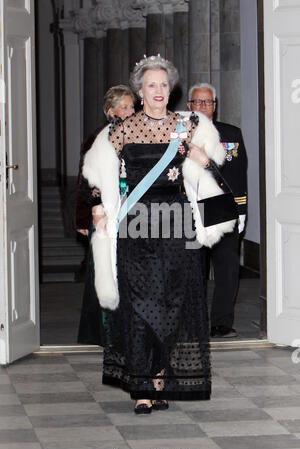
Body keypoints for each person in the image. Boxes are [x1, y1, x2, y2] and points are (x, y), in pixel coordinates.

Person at [82, 55, 237, 414]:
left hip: (178, 224)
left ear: (172, 89)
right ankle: (141, 386)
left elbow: (218, 166)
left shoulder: (190, 125)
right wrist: (97, 208)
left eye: (164, 85)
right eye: (151, 85)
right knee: (138, 306)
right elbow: (95, 174)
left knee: (174, 304)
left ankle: (160, 378)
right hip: (135, 226)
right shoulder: (121, 130)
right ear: (139, 92)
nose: (159, 91)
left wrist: (203, 159)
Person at [187, 83, 248, 339]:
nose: (203, 107)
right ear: (189, 106)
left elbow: (237, 174)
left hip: (222, 207)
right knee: (193, 270)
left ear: (215, 106)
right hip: (190, 208)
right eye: (198, 102)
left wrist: (241, 210)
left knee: (226, 269)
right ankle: (193, 322)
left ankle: (222, 323)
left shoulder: (231, 134)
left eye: (208, 102)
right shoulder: (178, 135)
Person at [76, 85, 135, 346]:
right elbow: (86, 180)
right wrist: (85, 216)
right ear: (110, 111)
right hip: (106, 214)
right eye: (124, 107)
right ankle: (106, 333)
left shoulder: (140, 135)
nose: (130, 111)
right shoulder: (98, 139)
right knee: (104, 270)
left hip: (135, 213)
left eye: (132, 106)